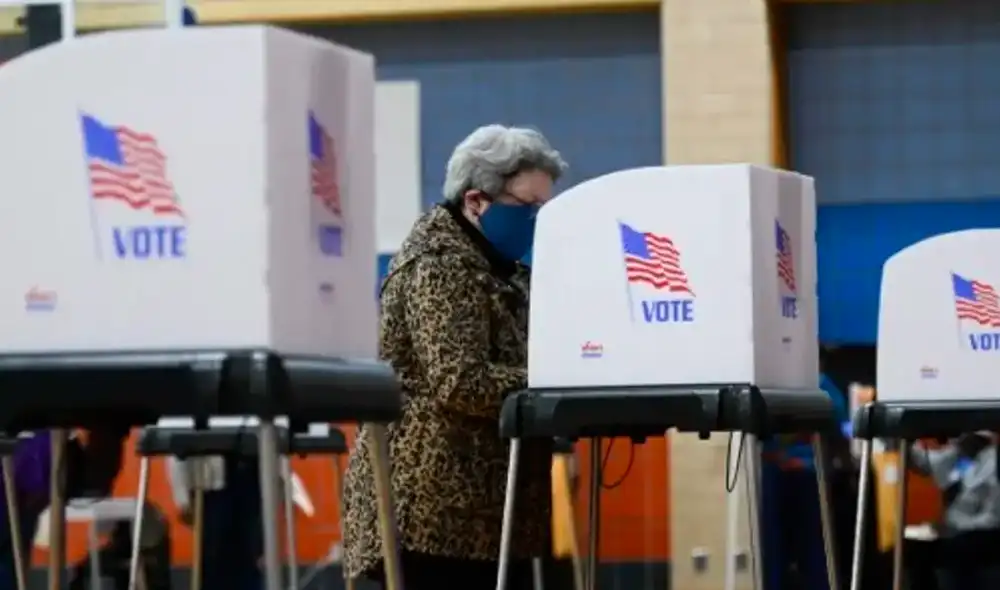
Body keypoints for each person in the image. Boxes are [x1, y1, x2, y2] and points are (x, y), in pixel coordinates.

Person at [342, 124, 568, 590]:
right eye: (527, 206)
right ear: (476, 201)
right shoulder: (438, 263)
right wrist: (555, 379)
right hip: (433, 513)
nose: (537, 220)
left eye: (545, 208)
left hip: (484, 512)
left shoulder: (501, 267)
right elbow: (460, 381)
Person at [760, 373, 850, 590]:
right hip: (779, 471)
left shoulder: (816, 381)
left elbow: (838, 419)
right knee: (775, 552)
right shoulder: (764, 380)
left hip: (806, 472)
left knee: (812, 552)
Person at [907, 432, 1000, 590]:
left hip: (987, 543)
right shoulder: (956, 454)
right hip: (953, 544)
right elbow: (921, 460)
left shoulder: (990, 456)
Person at [168, 452, 263, 590]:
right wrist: (182, 497)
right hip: (210, 482)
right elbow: (178, 449)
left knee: (251, 550)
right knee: (215, 553)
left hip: (251, 471)